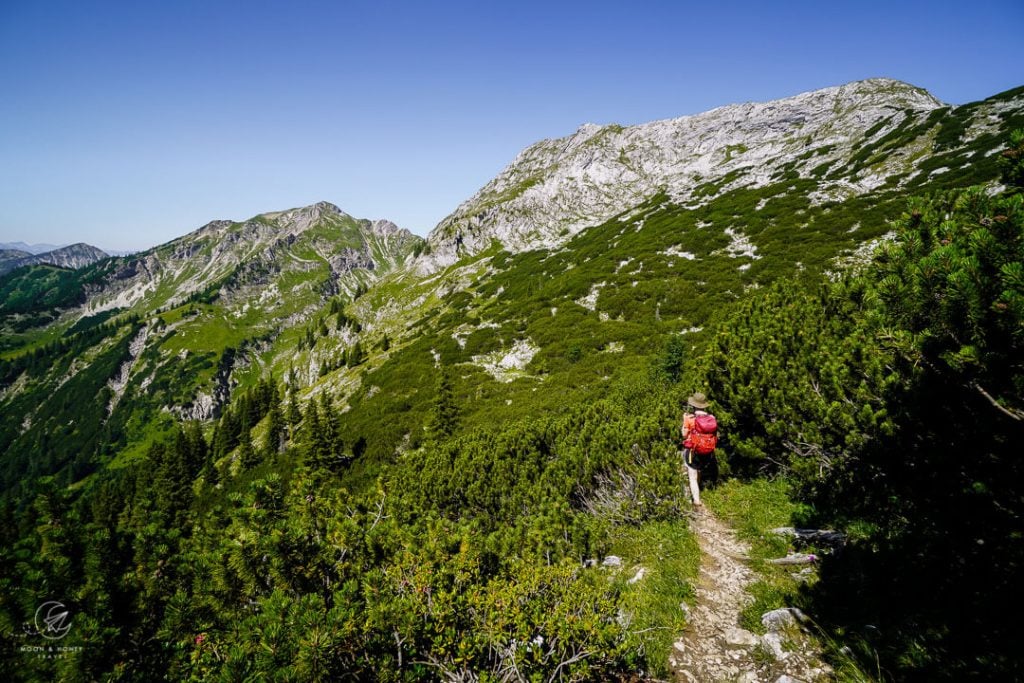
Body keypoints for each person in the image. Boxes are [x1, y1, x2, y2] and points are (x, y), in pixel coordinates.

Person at [681, 392, 716, 508]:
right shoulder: (712, 418)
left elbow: (684, 435)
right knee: (699, 470)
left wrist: (683, 423)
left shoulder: (689, 418)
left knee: (692, 475)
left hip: (693, 451)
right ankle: (698, 486)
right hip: (708, 451)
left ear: (694, 405)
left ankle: (696, 500)